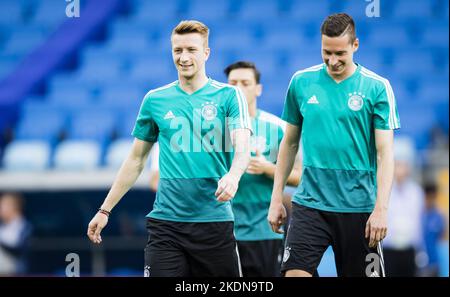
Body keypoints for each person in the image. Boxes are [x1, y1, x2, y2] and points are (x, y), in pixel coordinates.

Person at [87, 20, 252, 277]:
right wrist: (104, 210)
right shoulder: (155, 100)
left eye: (191, 50)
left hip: (214, 223)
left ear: (206, 53)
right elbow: (136, 160)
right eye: (177, 50)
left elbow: (243, 148)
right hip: (166, 225)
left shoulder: (229, 96)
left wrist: (233, 175)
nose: (183, 57)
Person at [268, 13, 400, 277]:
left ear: (355, 46)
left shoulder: (377, 88)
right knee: (294, 273)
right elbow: (289, 143)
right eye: (326, 52)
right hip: (310, 204)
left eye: (340, 53)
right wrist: (276, 198)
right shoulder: (301, 83)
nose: (332, 60)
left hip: (359, 208)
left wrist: (381, 210)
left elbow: (385, 154)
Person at [223, 61, 302, 277]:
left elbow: (301, 177)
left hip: (267, 230)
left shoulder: (277, 128)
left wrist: (268, 169)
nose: (238, 87)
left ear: (258, 88)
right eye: (233, 83)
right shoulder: (215, 131)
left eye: (245, 82)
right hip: (226, 231)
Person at [383, 138, 424, 276]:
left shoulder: (416, 192)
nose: (401, 168)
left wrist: (419, 250)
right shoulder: (384, 190)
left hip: (409, 250)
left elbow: (418, 222)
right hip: (388, 250)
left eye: (404, 164)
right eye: (398, 163)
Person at [0, 192, 32, 276]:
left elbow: (17, 250)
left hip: (14, 273)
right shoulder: (3, 226)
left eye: (2, 206)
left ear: (13, 207)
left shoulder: (23, 226)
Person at [421, 182, 445, 277]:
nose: (431, 200)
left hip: (434, 262)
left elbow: (443, 237)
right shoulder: (418, 214)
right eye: (428, 197)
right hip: (419, 262)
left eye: (433, 197)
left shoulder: (439, 216)